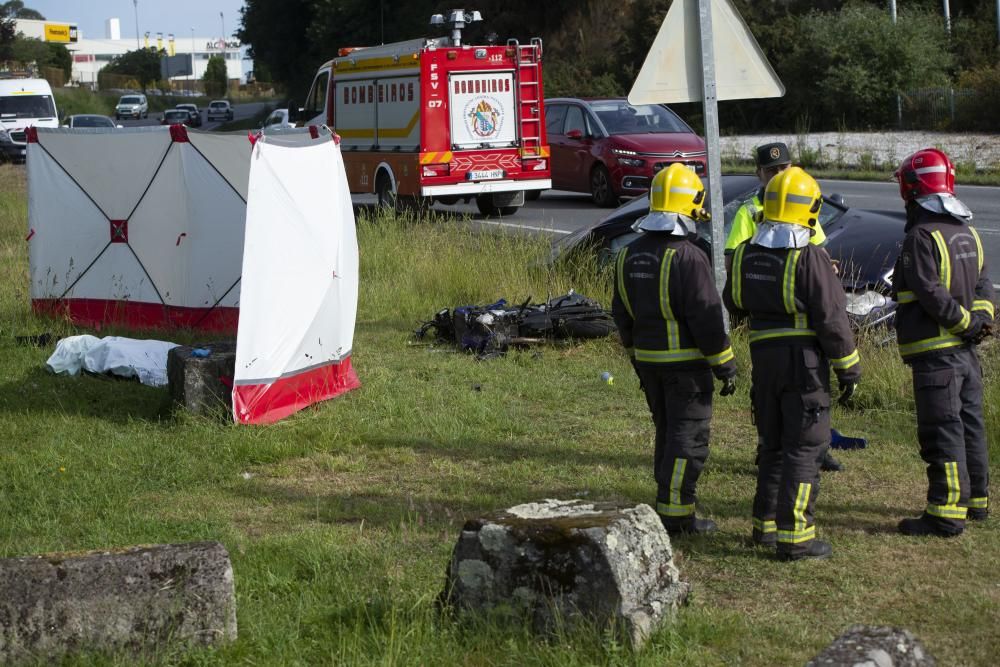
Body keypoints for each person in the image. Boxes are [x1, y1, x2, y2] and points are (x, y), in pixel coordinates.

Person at [724, 166, 861, 561]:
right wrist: (849, 369)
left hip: (764, 362)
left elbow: (733, 301)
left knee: (773, 446)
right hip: (805, 367)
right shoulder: (811, 256)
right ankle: (796, 537)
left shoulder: (747, 251)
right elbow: (833, 320)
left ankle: (765, 527)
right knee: (804, 449)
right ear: (810, 208)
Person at [612, 163, 737, 536]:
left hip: (648, 364)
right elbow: (707, 317)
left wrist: (636, 355)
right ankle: (676, 515)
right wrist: (725, 364)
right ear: (690, 204)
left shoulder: (627, 254)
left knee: (666, 433)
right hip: (687, 368)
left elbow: (622, 314)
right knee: (688, 438)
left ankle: (666, 502)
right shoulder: (688, 256)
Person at [890, 148, 995, 537]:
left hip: (938, 357)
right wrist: (982, 322)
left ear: (912, 188)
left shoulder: (920, 236)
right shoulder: (967, 231)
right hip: (966, 356)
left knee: (942, 431)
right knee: (970, 426)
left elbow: (930, 292)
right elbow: (984, 284)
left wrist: (964, 323)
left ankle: (946, 513)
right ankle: (977, 502)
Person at [726, 141, 843, 473]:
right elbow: (735, 260)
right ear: (759, 174)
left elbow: (818, 250)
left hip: (805, 321)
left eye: (784, 168)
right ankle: (768, 448)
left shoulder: (802, 200)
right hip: (771, 318)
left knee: (816, 388)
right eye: (772, 170)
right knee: (768, 392)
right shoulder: (749, 212)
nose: (779, 174)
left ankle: (818, 447)